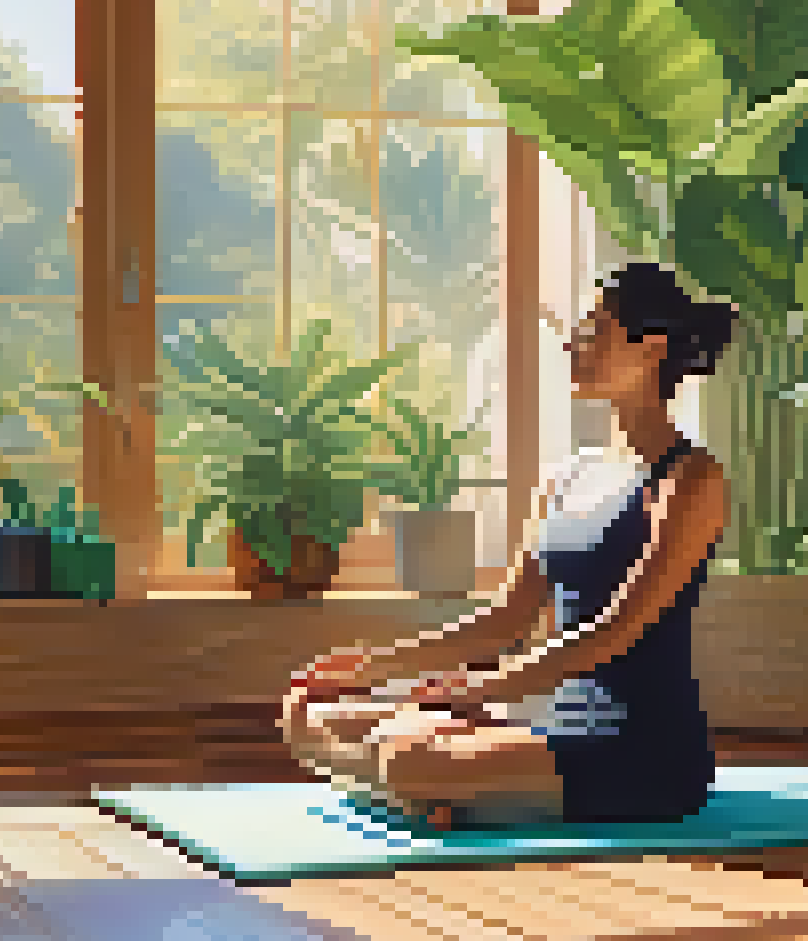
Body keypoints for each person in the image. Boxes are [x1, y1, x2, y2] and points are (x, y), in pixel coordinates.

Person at [278, 263, 736, 830]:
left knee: (402, 750)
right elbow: (506, 620)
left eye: (595, 332)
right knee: (310, 712)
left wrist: (482, 687)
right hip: (537, 711)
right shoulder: (565, 478)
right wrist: (372, 666)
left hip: (635, 743)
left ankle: (422, 790)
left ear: (651, 350)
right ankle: (434, 798)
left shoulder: (690, 480)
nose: (573, 344)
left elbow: (616, 632)